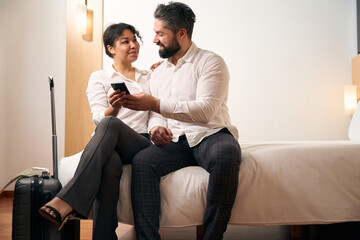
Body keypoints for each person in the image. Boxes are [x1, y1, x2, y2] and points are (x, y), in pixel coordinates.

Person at [122, 2, 242, 239]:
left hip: (210, 134)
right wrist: (156, 127)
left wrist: (155, 104)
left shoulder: (211, 62)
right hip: (176, 141)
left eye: (160, 34)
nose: (154, 40)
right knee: (143, 160)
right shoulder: (158, 72)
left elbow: (205, 111)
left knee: (226, 155)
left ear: (181, 33)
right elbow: (156, 114)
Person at [38, 23, 152, 240]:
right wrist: (114, 108)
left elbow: (157, 110)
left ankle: (68, 199)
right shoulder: (99, 77)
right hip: (108, 142)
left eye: (134, 40)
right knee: (110, 163)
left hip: (139, 142)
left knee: (110, 124)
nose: (133, 45)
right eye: (125, 41)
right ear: (110, 48)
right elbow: (98, 117)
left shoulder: (150, 76)